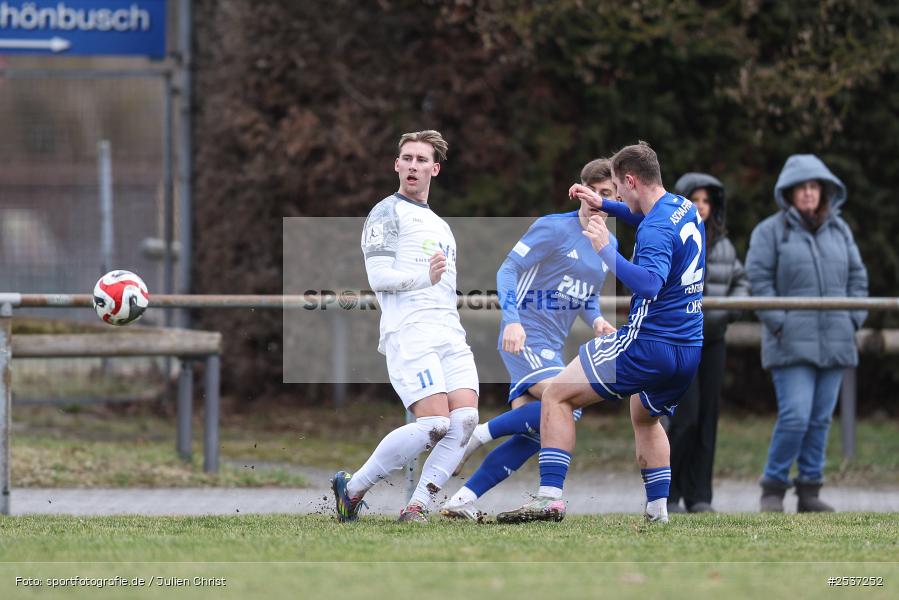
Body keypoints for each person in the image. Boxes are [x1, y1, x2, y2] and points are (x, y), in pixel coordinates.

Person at [497, 141, 705, 524]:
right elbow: (640, 217)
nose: (620, 199)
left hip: (647, 344)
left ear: (630, 180)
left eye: (618, 190)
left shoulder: (655, 229)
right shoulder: (683, 207)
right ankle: (658, 511)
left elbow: (649, 285)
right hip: (689, 349)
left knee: (558, 394)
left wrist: (607, 248)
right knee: (645, 415)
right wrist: (602, 203)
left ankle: (549, 497)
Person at [439, 159, 618, 520]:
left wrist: (597, 319)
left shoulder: (606, 243)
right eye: (593, 191)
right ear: (579, 190)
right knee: (570, 404)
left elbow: (585, 294)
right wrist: (512, 321)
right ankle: (478, 435)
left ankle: (461, 501)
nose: (598, 200)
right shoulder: (553, 228)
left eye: (608, 194)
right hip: (526, 338)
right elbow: (508, 270)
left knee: (537, 432)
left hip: (551, 345)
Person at [331, 130, 480, 523]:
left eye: (421, 159)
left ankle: (417, 506)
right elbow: (378, 276)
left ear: (436, 169)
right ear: (397, 165)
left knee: (465, 421)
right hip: (410, 331)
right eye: (407, 158)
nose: (413, 165)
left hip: (448, 331)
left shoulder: (442, 226)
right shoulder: (385, 212)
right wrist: (421, 279)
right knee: (434, 424)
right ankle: (352, 489)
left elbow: (444, 287)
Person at [746, 154, 868, 513]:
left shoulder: (840, 229)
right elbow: (759, 281)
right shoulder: (769, 231)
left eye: (815, 187)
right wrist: (780, 322)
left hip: (836, 340)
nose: (809, 194)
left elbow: (858, 278)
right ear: (789, 193)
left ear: (824, 191)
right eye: (802, 188)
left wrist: (853, 319)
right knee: (796, 416)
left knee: (819, 420)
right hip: (790, 343)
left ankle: (810, 491)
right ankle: (773, 487)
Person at [666, 173, 749, 514]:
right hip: (683, 340)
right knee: (685, 416)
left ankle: (700, 496)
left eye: (706, 201)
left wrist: (725, 313)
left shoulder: (725, 245)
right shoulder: (672, 236)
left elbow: (741, 282)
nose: (701, 206)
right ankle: (667, 491)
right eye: (695, 199)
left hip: (713, 340)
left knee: (707, 418)